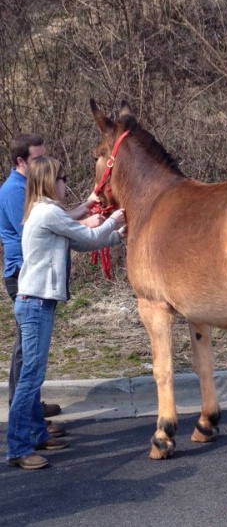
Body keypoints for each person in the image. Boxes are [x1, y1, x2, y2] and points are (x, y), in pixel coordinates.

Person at [7, 156, 126, 470]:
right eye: (62, 179)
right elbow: (86, 236)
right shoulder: (47, 212)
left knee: (32, 377)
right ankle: (18, 448)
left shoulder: (44, 211)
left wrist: (116, 235)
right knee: (30, 379)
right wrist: (116, 220)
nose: (66, 184)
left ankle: (34, 434)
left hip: (37, 303)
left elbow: (78, 244)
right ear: (49, 181)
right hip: (35, 304)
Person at [0, 134, 104, 437]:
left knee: (31, 356)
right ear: (21, 162)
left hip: (34, 276)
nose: (42, 164)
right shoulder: (14, 192)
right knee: (26, 355)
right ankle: (26, 417)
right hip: (23, 275)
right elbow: (44, 227)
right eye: (36, 160)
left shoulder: (33, 191)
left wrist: (84, 211)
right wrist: (85, 224)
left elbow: (58, 221)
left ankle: (31, 408)